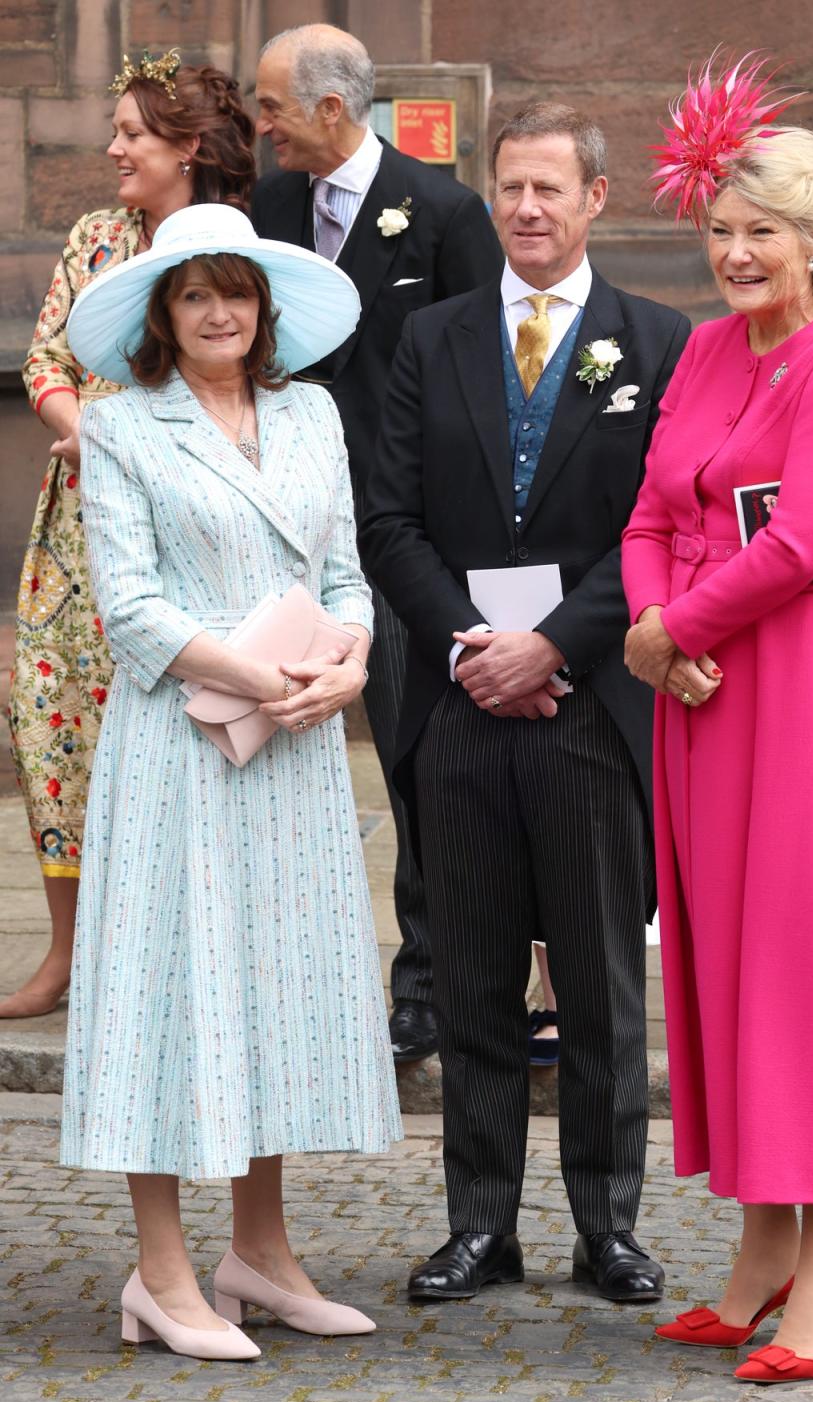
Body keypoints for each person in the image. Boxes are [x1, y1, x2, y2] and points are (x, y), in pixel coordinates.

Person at [60, 202, 401, 1360]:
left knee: (273, 986)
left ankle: (260, 1250)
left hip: (295, 745)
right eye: (195, 293)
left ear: (265, 309)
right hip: (183, 747)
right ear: (162, 310)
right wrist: (255, 671)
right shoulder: (122, 429)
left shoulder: (311, 413)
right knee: (167, 988)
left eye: (236, 292)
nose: (218, 312)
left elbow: (348, 573)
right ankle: (160, 1272)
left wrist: (346, 665)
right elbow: (131, 607)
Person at [360, 103, 689, 1302]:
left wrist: (550, 646)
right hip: (457, 708)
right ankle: (479, 1226)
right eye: (509, 188)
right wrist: (469, 649)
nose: (527, 210)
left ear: (598, 198)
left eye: (551, 188)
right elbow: (388, 517)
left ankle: (608, 1227)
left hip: (590, 706)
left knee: (602, 980)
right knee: (474, 977)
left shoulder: (657, 342)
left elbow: (662, 531)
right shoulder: (432, 337)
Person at [620, 56, 813, 1383]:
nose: (736, 253)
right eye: (721, 232)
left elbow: (799, 539)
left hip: (790, 681)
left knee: (802, 963)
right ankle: (758, 1251)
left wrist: (678, 626)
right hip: (698, 690)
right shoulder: (700, 350)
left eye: (762, 232)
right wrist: (656, 627)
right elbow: (649, 513)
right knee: (727, 963)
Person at [251, 24, 503, 1063]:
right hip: (277, 529)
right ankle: (282, 971)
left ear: (330, 110)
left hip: (398, 542)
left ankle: (428, 984)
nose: (257, 128)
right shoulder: (263, 212)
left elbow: (478, 376)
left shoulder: (443, 213)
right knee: (263, 750)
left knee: (415, 760)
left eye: (270, 107)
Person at [3, 50, 256, 1020]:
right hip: (74, 535)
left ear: (187, 149)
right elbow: (46, 356)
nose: (113, 148)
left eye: (134, 135)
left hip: (183, 536)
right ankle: (66, 954)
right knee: (53, 727)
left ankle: (158, 959)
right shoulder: (96, 234)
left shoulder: (229, 247)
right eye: (114, 130)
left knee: (164, 742)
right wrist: (79, 429)